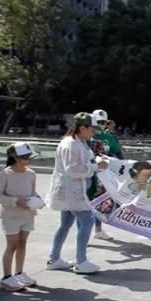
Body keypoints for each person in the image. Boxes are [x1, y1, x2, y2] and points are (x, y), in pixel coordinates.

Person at [47, 112, 109, 275]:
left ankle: (54, 258)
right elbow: (72, 170)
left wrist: (94, 163)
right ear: (82, 128)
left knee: (66, 224)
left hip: (71, 190)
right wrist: (95, 167)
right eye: (91, 129)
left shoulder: (77, 142)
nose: (93, 133)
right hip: (72, 191)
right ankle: (81, 261)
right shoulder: (72, 144)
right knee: (87, 221)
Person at [0, 142, 41, 292]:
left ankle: (19, 273)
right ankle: (6, 277)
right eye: (26, 157)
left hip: (28, 214)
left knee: (22, 243)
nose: (29, 160)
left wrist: (37, 200)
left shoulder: (31, 173)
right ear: (15, 157)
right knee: (11, 245)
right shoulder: (5, 174)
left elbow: (33, 192)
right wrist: (15, 201)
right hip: (11, 215)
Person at [88, 109, 123, 241]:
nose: (101, 124)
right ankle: (83, 233)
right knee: (86, 204)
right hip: (88, 173)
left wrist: (124, 167)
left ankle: (98, 229)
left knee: (101, 202)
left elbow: (118, 153)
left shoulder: (109, 137)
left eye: (103, 122)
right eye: (98, 122)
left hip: (104, 175)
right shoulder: (88, 137)